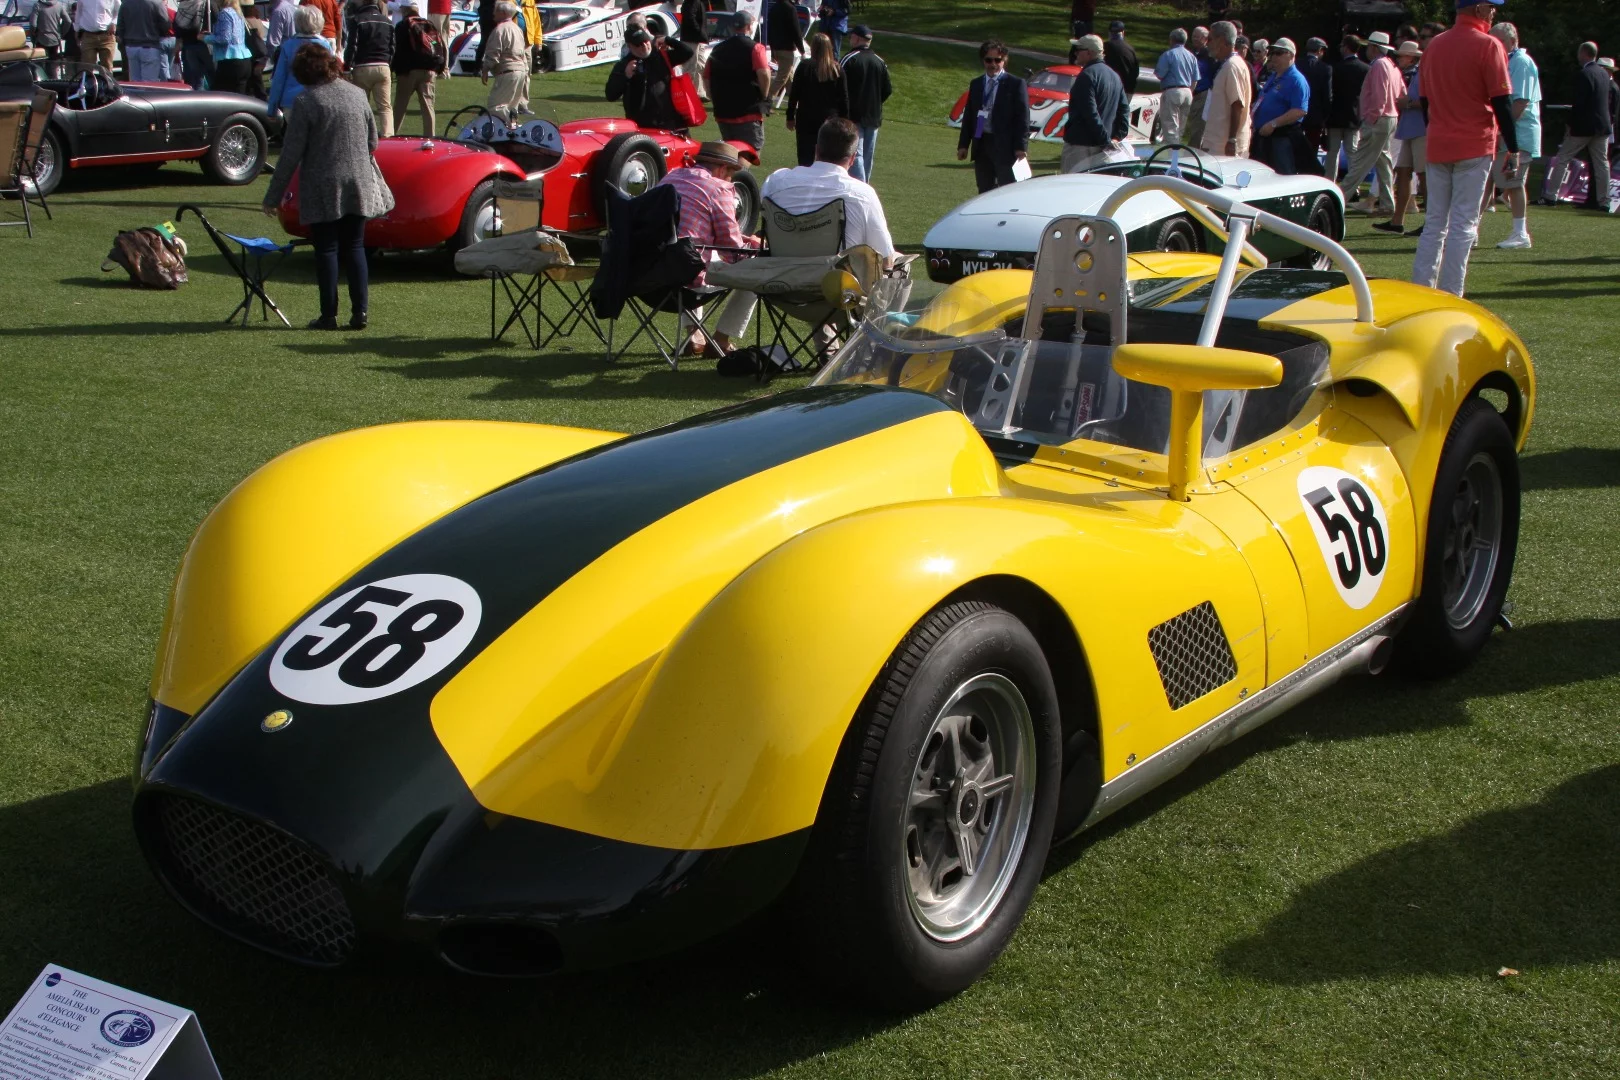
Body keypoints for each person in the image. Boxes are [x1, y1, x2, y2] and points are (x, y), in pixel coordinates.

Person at [714, 118, 895, 351]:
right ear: (852, 159)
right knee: (894, 264)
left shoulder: (777, 181)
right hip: (835, 294)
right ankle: (880, 351)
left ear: (817, 150)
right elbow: (886, 257)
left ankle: (827, 346)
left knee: (808, 261)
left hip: (780, 282)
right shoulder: (861, 194)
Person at [263, 43, 394, 330]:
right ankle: (360, 312)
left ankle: (328, 315)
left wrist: (273, 196)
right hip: (359, 180)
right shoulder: (358, 95)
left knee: (327, 250)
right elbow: (373, 142)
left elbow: (290, 154)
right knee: (356, 246)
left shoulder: (307, 102)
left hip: (323, 184)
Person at [1413, 0, 1518, 298]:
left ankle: (1421, 291)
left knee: (1434, 223)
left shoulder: (1434, 45)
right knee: (1463, 225)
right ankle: (1451, 294)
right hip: (1474, 143)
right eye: (1492, 7)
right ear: (1482, 10)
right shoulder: (1489, 45)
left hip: (1438, 142)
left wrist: (1435, 130)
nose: (1495, 12)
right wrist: (1514, 146)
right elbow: (1501, 101)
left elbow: (1425, 102)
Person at [653, 141, 762, 355]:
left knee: (690, 250)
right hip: (686, 281)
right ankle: (721, 339)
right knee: (757, 266)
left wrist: (742, 239)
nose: (731, 180)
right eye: (731, 174)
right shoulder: (719, 188)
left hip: (649, 276)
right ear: (722, 169)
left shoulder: (670, 178)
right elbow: (732, 250)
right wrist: (754, 246)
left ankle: (694, 334)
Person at [1540, 42, 1612, 210]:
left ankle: (1551, 195)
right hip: (1601, 127)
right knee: (1602, 164)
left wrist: (1570, 125)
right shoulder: (1603, 74)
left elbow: (1579, 104)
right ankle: (1604, 201)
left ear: (1583, 54)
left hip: (1583, 127)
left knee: (1563, 158)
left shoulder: (1584, 74)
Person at [1487, 21, 1538, 247]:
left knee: (1513, 183)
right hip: (1508, 134)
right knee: (1489, 180)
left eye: (1499, 41)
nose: (1495, 45)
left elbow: (1519, 102)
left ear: (1512, 41)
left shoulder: (1521, 62)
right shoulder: (1506, 61)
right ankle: (1470, 230)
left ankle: (1521, 234)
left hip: (1519, 135)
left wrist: (1501, 131)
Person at [1338, 30, 1399, 213]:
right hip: (1390, 117)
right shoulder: (1390, 64)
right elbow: (1399, 93)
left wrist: (1370, 119)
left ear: (1373, 48)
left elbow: (1379, 96)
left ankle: (1339, 198)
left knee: (1360, 162)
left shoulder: (1379, 65)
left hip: (1378, 119)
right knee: (1383, 162)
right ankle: (1388, 203)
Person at [956, 39, 1028, 192]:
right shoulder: (976, 84)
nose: (993, 64)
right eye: (989, 60)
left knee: (1007, 188)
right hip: (982, 143)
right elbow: (969, 115)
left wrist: (1021, 146)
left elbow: (1022, 117)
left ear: (1004, 60)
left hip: (1005, 145)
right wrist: (963, 145)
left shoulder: (1015, 84)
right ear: (983, 60)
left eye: (998, 60)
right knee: (984, 188)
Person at [1375, 41, 1426, 234]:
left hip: (1421, 129)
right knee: (1403, 171)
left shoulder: (1423, 71)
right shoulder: (1414, 73)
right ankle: (1397, 221)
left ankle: (1430, 222)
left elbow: (1430, 99)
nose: (1398, 59)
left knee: (1423, 175)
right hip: (1409, 128)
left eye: (1402, 55)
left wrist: (1408, 102)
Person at [605, 26, 693, 133]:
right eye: (638, 44)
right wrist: (626, 76)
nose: (644, 46)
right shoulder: (624, 65)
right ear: (629, 46)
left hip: (671, 123)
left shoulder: (661, 56)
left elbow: (688, 52)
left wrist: (667, 39)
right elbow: (610, 94)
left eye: (646, 41)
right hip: (642, 126)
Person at [705, 8, 770, 150]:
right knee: (750, 151)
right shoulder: (755, 48)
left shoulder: (717, 49)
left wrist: (713, 97)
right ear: (749, 26)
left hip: (723, 111)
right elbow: (764, 73)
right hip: (747, 111)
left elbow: (706, 77)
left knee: (731, 151)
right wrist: (765, 95)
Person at [1062, 34, 1126, 172]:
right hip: (1103, 148)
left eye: (1078, 49)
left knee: (1071, 187)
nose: (1075, 53)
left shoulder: (1087, 76)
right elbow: (1124, 111)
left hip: (1081, 145)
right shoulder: (1115, 76)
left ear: (1089, 52)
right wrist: (1117, 137)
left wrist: (1106, 141)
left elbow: (1090, 112)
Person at [786, 32, 847, 167]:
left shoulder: (804, 66)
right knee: (827, 158)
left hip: (806, 118)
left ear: (813, 48)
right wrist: (845, 122)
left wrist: (790, 116)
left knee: (805, 157)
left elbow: (794, 94)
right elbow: (844, 100)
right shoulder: (837, 69)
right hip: (829, 121)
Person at [1251, 38, 1309, 174]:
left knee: (1282, 174)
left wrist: (1273, 124)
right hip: (1263, 136)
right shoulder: (1275, 76)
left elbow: (1300, 110)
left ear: (1291, 55)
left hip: (1281, 137)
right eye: (1272, 53)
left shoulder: (1296, 80)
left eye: (1279, 53)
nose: (1273, 57)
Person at [841, 24, 890, 181]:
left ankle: (862, 187)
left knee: (857, 154)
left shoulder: (849, 59)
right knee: (867, 156)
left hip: (854, 116)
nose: (850, 39)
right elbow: (887, 89)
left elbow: (839, 87)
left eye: (851, 36)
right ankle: (865, 185)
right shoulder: (879, 61)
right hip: (874, 116)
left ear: (857, 38)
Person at [267, 3, 332, 114]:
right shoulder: (325, 45)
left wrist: (272, 108)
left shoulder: (287, 45)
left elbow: (279, 79)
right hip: (318, 100)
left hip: (291, 102)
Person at [1200, 19, 1249, 157]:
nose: (1207, 44)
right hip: (1217, 142)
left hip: (1223, 147)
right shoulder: (1227, 64)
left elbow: (1237, 104)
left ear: (1221, 40)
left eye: (1209, 39)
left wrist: (1232, 140)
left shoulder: (1232, 66)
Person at [344, 0, 394, 135]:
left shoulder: (357, 20)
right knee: (385, 107)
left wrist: (347, 67)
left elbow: (352, 47)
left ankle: (361, 136)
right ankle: (388, 137)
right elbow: (392, 47)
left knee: (361, 106)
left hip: (362, 67)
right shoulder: (387, 22)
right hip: (383, 66)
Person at [392, 3, 442, 135]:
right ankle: (430, 137)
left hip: (409, 71)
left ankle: (391, 134)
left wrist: (396, 69)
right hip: (429, 70)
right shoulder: (429, 24)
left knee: (400, 107)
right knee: (428, 107)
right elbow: (437, 45)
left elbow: (398, 49)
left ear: (405, 10)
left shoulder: (403, 25)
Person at [1325, 35, 1368, 183]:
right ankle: (1354, 185)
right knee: (1353, 153)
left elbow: (1329, 94)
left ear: (1347, 47)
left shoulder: (1335, 68)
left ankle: (1330, 181)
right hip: (1354, 116)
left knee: (1332, 154)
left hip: (1335, 116)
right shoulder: (1365, 69)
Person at [480, 0, 530, 123]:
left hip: (507, 71)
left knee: (496, 107)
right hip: (521, 71)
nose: (493, 14)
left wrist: (485, 69)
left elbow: (493, 53)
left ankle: (506, 128)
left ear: (502, 13)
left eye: (495, 11)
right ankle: (513, 129)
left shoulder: (500, 30)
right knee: (512, 106)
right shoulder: (517, 29)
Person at [1155, 28, 1197, 144]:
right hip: (1188, 92)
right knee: (1180, 129)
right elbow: (1195, 78)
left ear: (1172, 40)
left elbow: (1159, 74)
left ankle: (1171, 157)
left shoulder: (1168, 55)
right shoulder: (1191, 56)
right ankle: (1176, 155)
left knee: (1170, 129)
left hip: (1173, 90)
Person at [206, 0, 254, 93]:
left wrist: (206, 38)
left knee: (220, 96)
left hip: (231, 62)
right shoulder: (238, 12)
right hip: (244, 60)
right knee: (240, 99)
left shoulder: (224, 13)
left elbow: (225, 39)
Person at [119, 0, 173, 82]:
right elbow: (166, 24)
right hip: (150, 46)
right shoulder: (157, 3)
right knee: (149, 83)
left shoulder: (126, 4)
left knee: (134, 81)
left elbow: (120, 25)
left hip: (131, 46)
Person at [765, 0, 805, 109]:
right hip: (786, 49)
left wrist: (773, 50)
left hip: (776, 48)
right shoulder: (790, 9)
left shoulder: (774, 8)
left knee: (789, 77)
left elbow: (770, 31)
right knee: (782, 77)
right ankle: (766, 98)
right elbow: (796, 31)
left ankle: (796, 102)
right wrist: (802, 50)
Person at [1299, 37, 1332, 157]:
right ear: (1319, 50)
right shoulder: (1325, 68)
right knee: (1311, 150)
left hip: (1296, 114)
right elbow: (1327, 96)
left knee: (1294, 148)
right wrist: (1325, 117)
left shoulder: (1297, 64)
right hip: (1315, 116)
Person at [1185, 24, 1213, 147]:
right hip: (1193, 93)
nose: (1194, 39)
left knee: (1198, 128)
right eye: (1193, 36)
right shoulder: (1193, 52)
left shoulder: (1209, 54)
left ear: (1205, 39)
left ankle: (1193, 154)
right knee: (1192, 126)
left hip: (1203, 93)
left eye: (1197, 37)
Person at [74, 0, 119, 71]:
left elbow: (119, 10)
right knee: (87, 67)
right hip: (88, 35)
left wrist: (114, 23)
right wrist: (76, 30)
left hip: (107, 36)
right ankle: (88, 82)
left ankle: (106, 82)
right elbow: (78, 13)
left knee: (107, 67)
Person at [29, 0, 73, 71]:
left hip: (41, 39)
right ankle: (53, 80)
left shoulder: (37, 5)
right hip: (55, 39)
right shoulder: (59, 5)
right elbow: (68, 21)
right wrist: (61, 33)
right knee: (53, 66)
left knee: (40, 66)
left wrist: (33, 36)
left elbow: (33, 24)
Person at [678, 0, 709, 100]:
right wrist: (699, 32)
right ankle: (687, 93)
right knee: (690, 67)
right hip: (691, 39)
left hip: (697, 39)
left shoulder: (696, 2)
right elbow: (689, 17)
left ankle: (700, 92)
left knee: (700, 65)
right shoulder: (693, 1)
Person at [1104, 19, 1139, 96]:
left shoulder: (1104, 47)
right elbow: (1136, 72)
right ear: (1123, 33)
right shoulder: (1130, 49)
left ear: (1109, 33)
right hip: (1126, 89)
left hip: (1109, 90)